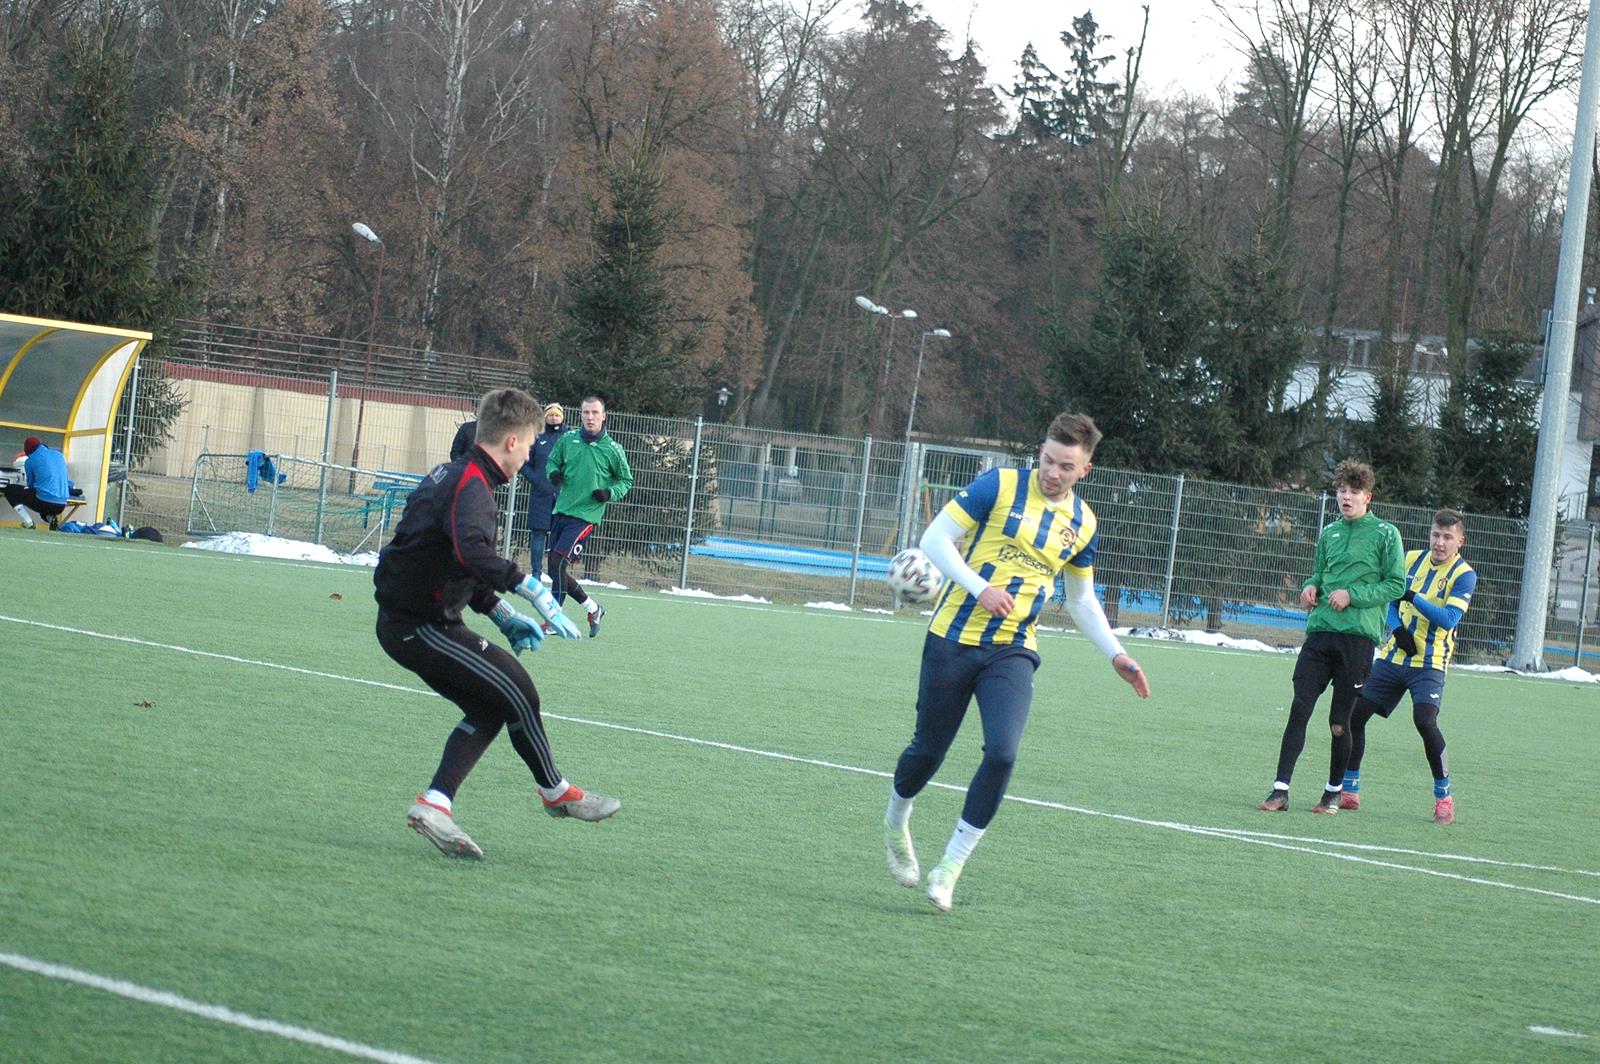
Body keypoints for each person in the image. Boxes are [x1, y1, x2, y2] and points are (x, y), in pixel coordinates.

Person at [883, 412, 1151, 913]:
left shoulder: (1084, 524)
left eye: (1065, 466)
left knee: (1003, 752)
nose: (1052, 471)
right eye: (1048, 459)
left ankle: (949, 869)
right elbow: (935, 540)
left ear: (1085, 470)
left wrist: (1115, 653)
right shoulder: (999, 485)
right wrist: (979, 588)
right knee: (927, 753)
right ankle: (897, 818)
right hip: (952, 638)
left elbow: (1081, 600)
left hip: (1013, 649)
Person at [374, 388, 621, 860]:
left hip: (415, 620)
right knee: (519, 689)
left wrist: (500, 613)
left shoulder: (456, 475)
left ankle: (435, 804)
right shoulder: (470, 484)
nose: (530, 455)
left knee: (491, 706)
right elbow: (472, 552)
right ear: (511, 442)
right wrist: (531, 590)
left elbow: (449, 558)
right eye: (529, 445)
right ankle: (555, 791)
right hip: (418, 626)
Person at [1258, 459, 1405, 814]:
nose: (1346, 497)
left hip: (1356, 641)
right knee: (1299, 709)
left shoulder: (1386, 534)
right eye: (1341, 491)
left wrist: (1352, 596)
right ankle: (1280, 791)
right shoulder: (1330, 533)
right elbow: (1319, 575)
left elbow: (1396, 584)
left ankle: (1333, 792)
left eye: (1354, 492)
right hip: (1320, 634)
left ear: (1367, 497)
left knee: (1340, 722)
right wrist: (1311, 587)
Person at [1339, 509, 1476, 824]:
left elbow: (1449, 619)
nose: (1439, 543)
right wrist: (1398, 630)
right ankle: (1350, 789)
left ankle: (1444, 797)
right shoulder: (1411, 558)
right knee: (1355, 716)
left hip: (1430, 662)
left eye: (1447, 538)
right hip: (1394, 656)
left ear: (1460, 541)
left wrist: (1412, 596)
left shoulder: (1464, 574)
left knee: (1425, 721)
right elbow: (1389, 598)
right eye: (1435, 535)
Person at [545, 394, 633, 637]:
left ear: (604, 416)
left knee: (558, 563)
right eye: (586, 413)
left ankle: (555, 617)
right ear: (581, 415)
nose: (590, 417)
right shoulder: (568, 439)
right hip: (561, 509)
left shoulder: (613, 449)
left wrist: (609, 492)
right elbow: (552, 462)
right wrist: (553, 474)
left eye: (595, 413)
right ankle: (593, 608)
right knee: (555, 569)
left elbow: (626, 481)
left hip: (586, 515)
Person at [517, 402, 567, 573]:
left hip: (563, 496)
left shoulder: (570, 438)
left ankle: (556, 572)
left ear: (562, 417)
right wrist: (537, 480)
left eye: (557, 415)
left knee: (559, 536)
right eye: (551, 415)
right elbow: (524, 463)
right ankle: (536, 573)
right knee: (538, 535)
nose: (554, 418)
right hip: (540, 496)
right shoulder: (537, 438)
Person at [4, 437, 74, 529]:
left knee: (10, 490)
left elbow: (31, 485)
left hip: (44, 502)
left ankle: (28, 523)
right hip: (62, 504)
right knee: (43, 492)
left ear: (28, 450)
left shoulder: (30, 460)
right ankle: (50, 518)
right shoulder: (59, 455)